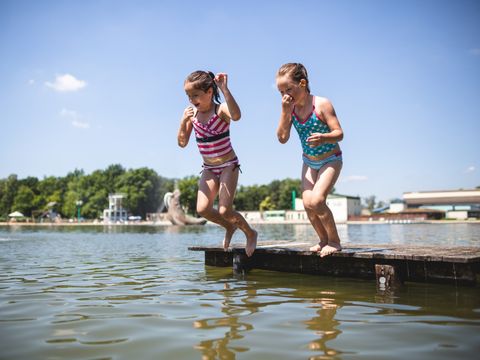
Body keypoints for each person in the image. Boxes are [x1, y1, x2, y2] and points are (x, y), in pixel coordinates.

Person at [177, 70, 257, 257]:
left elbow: (236, 116)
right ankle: (229, 226)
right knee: (202, 209)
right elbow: (182, 143)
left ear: (209, 92)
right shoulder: (192, 115)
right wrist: (183, 121)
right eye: (188, 95)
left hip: (228, 164)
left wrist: (225, 89)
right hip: (209, 168)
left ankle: (250, 233)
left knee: (224, 209)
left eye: (195, 95)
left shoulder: (220, 110)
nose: (191, 99)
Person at [276, 63, 344, 257]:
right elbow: (282, 138)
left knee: (317, 200)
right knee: (307, 203)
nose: (285, 95)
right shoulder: (290, 109)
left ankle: (334, 241)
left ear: (303, 83)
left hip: (331, 159)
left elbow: (339, 133)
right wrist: (284, 111)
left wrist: (324, 137)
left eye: (288, 89)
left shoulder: (322, 104)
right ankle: (323, 240)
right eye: (281, 92)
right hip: (309, 162)